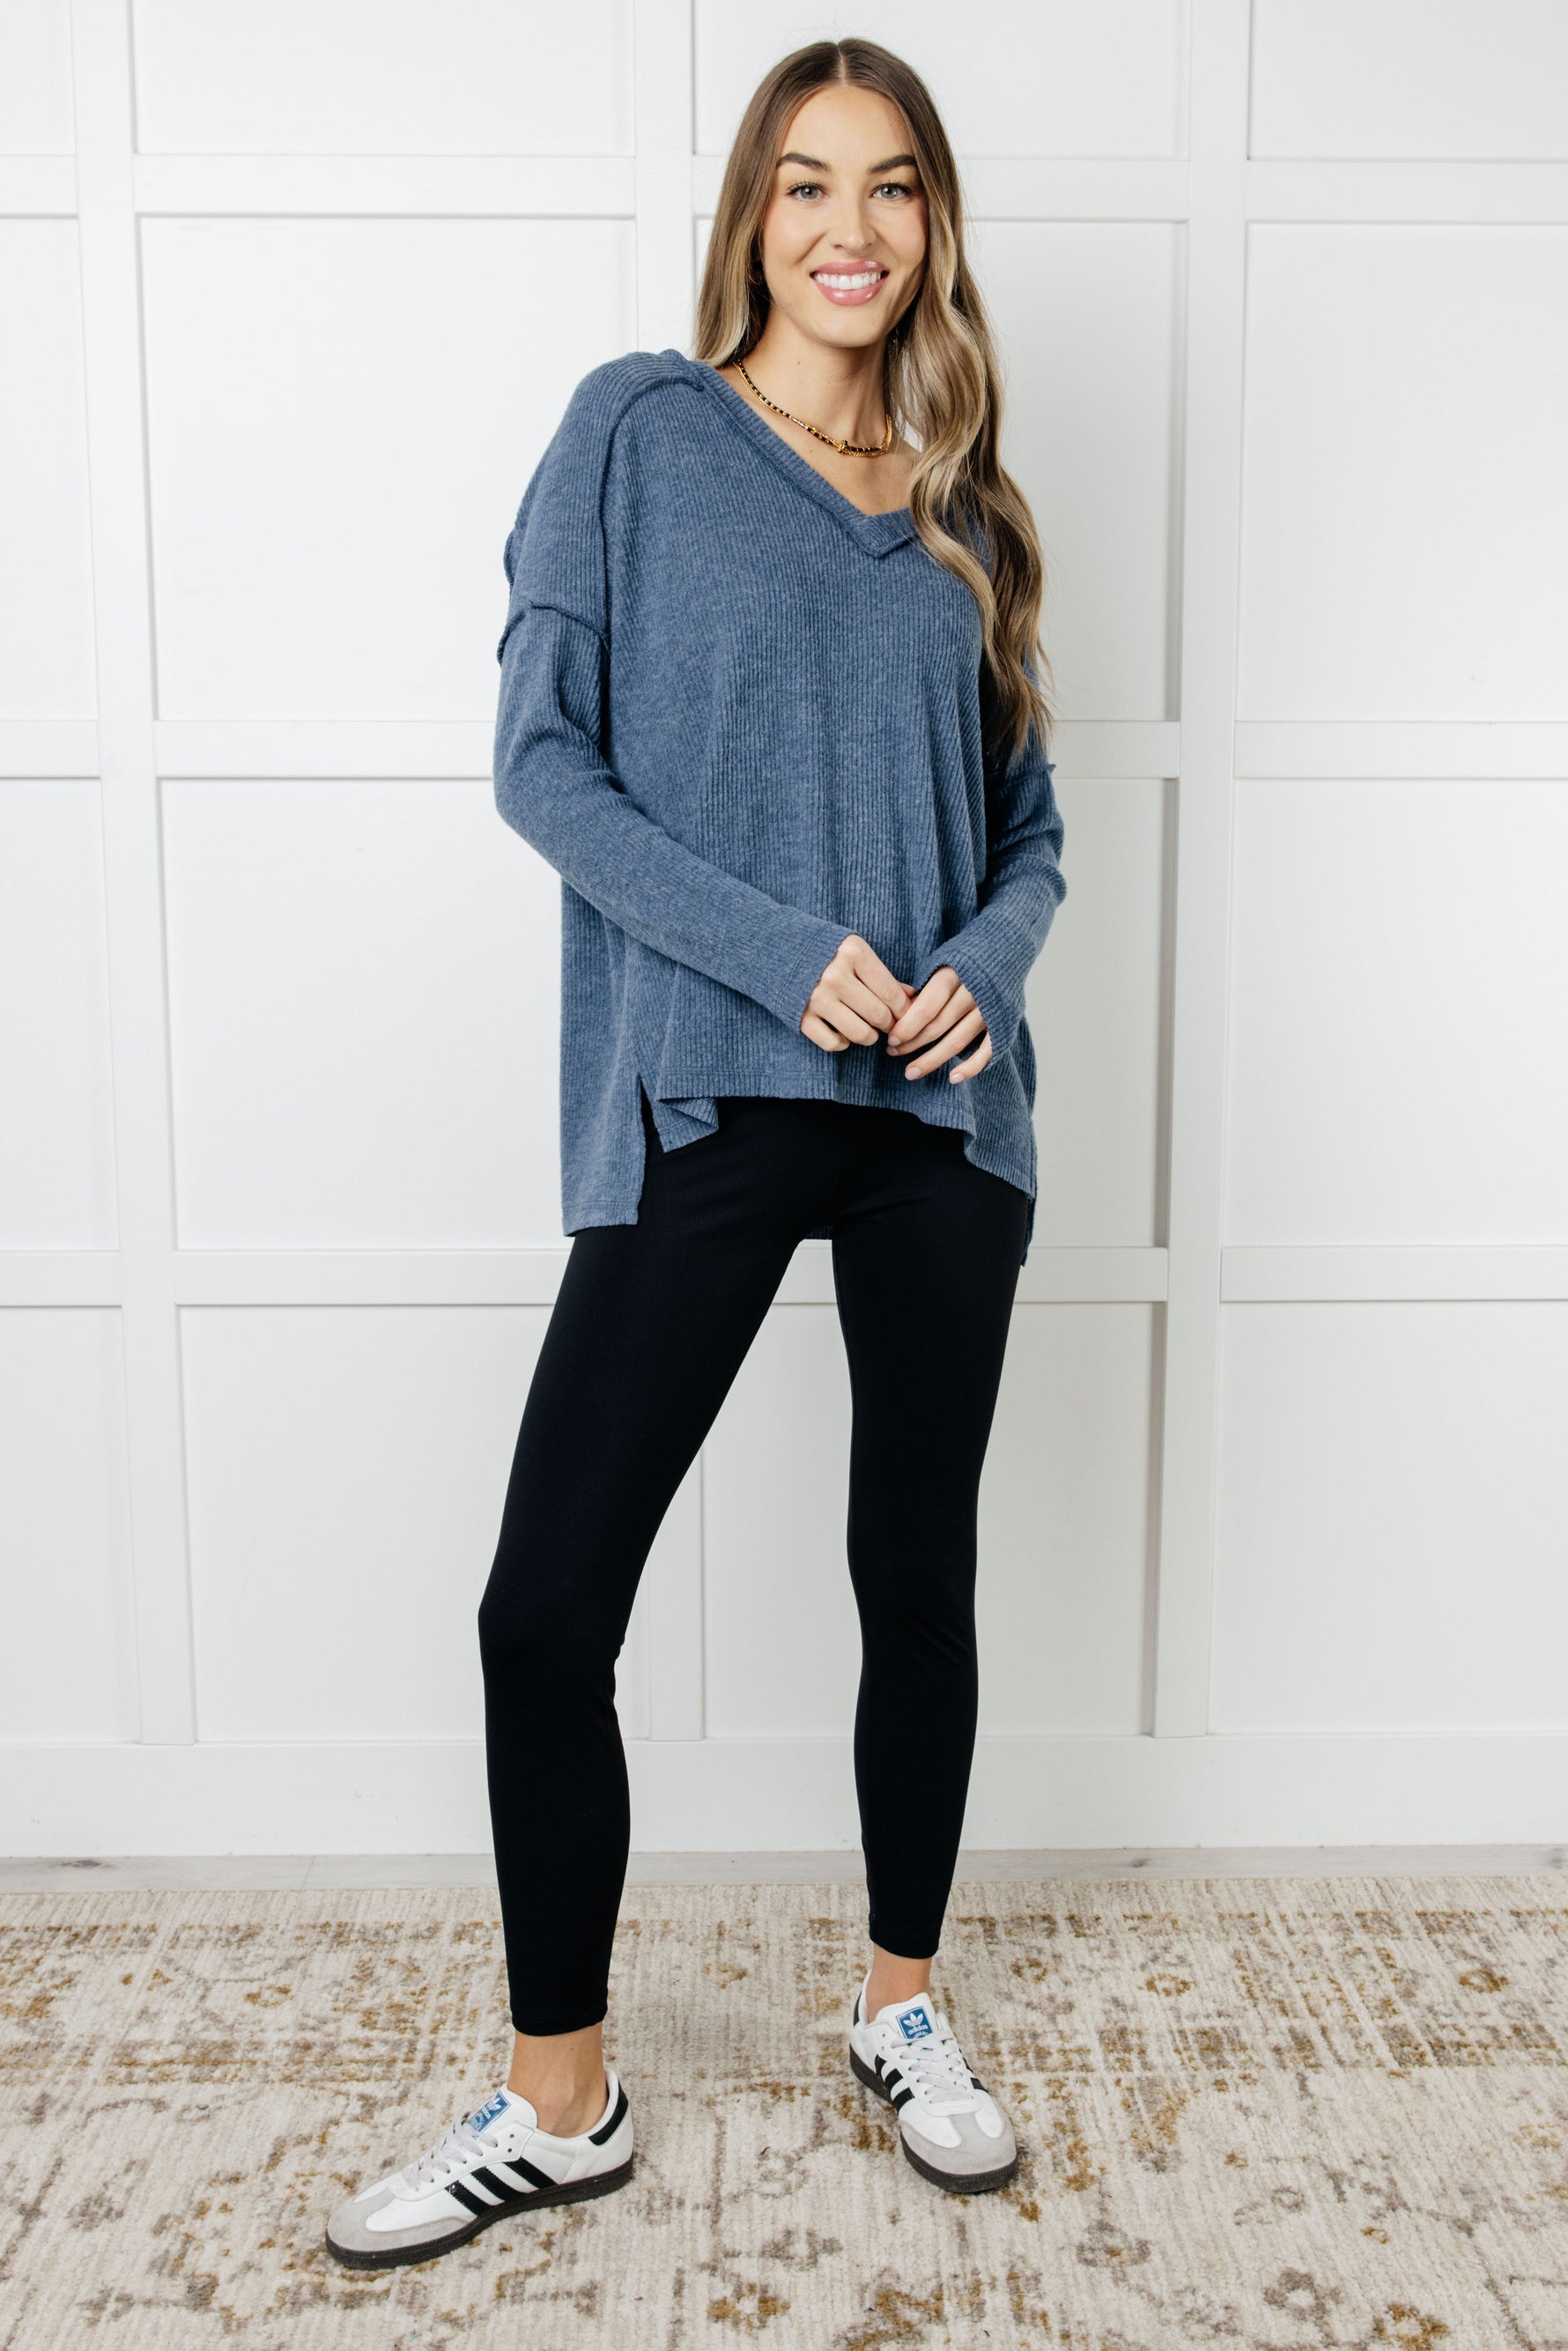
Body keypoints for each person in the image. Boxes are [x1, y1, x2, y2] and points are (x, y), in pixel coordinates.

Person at [326, 33, 1066, 2272]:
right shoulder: (635, 430)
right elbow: (540, 767)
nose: (851, 226)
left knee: (912, 1577)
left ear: (932, 225)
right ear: (750, 213)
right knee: (545, 1605)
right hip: (706, 1092)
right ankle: (561, 2098)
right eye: (805, 181)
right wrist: (782, 955)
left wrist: (980, 966)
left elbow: (1029, 831)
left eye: (893, 184)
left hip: (936, 1110)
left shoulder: (965, 503)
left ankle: (899, 2007)